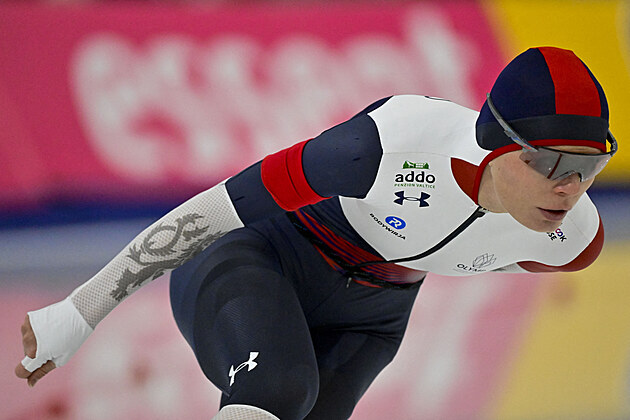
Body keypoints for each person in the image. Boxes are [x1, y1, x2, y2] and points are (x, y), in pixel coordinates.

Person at [15, 46, 617, 420]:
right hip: (262, 255)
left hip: (371, 318)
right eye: (550, 162)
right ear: (497, 143)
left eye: (588, 166)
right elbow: (216, 211)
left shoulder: (572, 242)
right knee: (275, 391)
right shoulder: (386, 147)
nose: (569, 187)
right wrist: (81, 310)